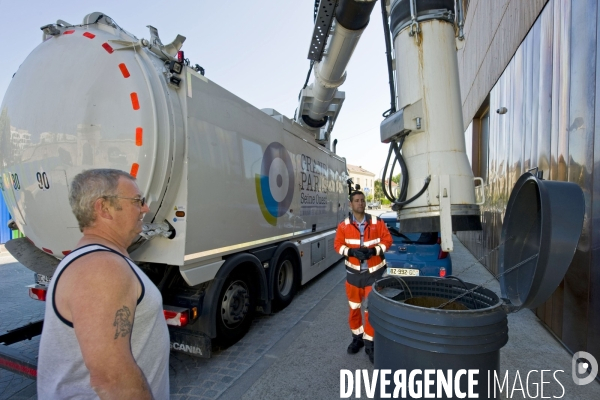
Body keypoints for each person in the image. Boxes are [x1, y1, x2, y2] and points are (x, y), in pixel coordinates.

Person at [37, 169, 170, 399]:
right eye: (137, 201)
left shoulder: (100, 259)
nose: (145, 208)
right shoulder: (101, 268)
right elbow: (111, 379)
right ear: (104, 208)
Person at [334, 191, 392, 364]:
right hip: (353, 275)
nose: (360, 203)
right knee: (354, 308)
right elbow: (338, 245)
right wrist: (351, 251)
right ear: (350, 204)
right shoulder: (343, 226)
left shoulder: (377, 222)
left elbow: (387, 240)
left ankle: (370, 344)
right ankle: (357, 338)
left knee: (370, 309)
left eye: (362, 200)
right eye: (356, 201)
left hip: (373, 274)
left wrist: (374, 250)